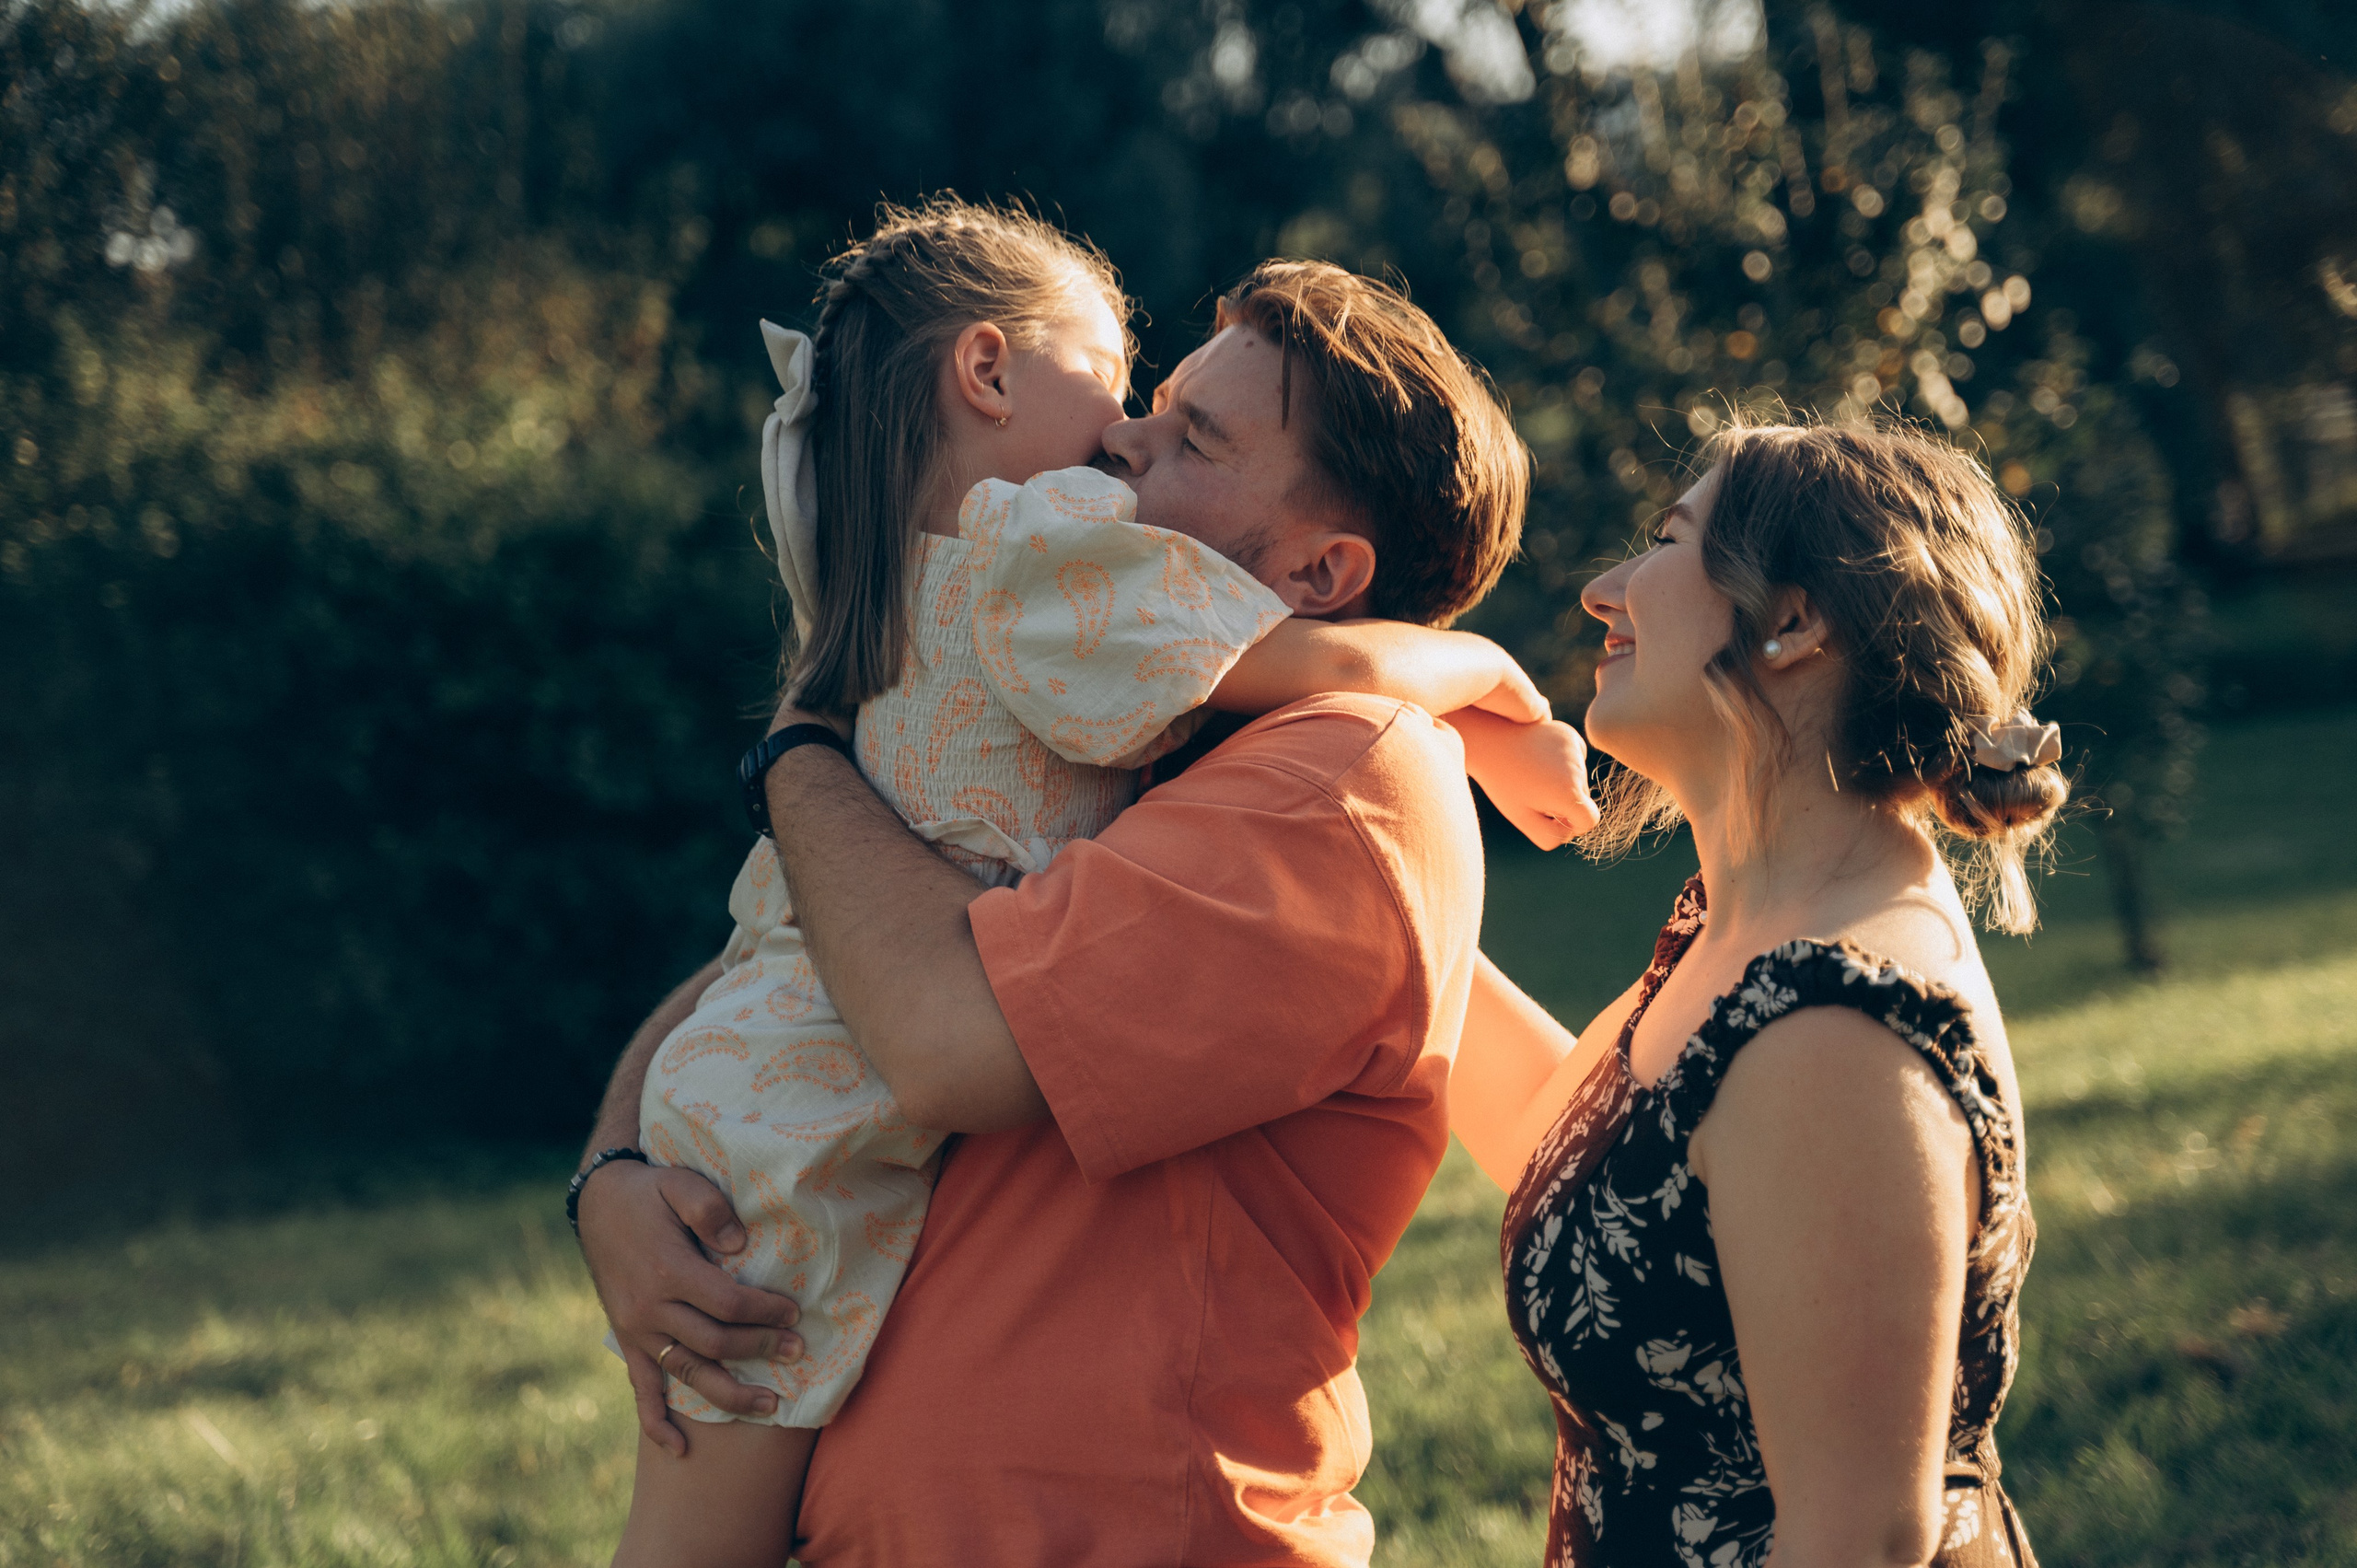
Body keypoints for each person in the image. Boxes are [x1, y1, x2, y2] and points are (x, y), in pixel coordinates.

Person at [576, 232, 1597, 1564]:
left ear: (1319, 578)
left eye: (1193, 439)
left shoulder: (1337, 770)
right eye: (1145, 405)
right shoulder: (1110, 737)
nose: (1121, 444)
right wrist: (613, 1173)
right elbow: (800, 957)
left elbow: (944, 1039)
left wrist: (800, 746)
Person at [1455, 421, 2059, 1567]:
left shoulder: (1831, 1022)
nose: (1602, 589)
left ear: (1790, 620)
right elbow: (1568, 1140)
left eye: (1666, 539)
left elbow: (1857, 1544)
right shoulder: (1739, 934)